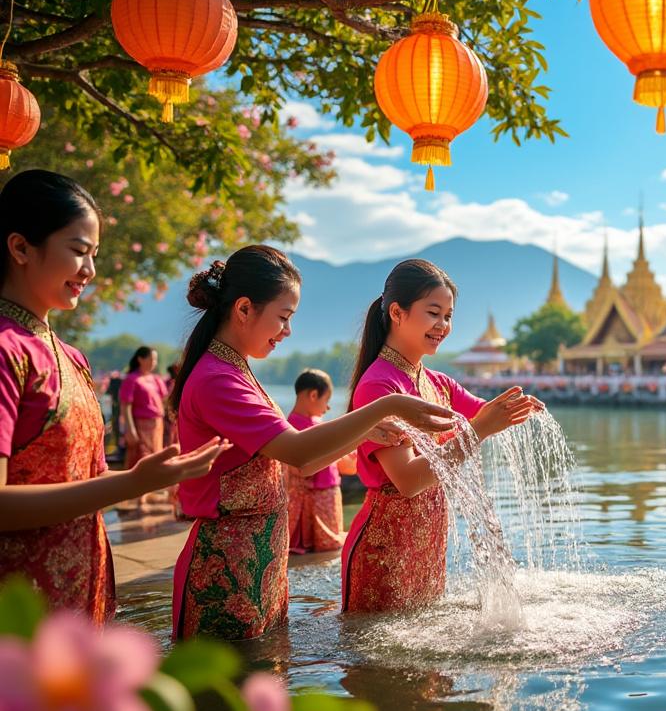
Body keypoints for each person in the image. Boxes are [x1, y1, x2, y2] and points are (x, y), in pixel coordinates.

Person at [170, 246, 456, 640]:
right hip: (226, 564)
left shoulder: (235, 370)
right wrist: (383, 407)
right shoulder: (217, 379)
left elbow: (303, 462)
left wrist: (364, 430)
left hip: (257, 559)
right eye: (283, 317)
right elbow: (298, 450)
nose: (287, 331)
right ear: (244, 309)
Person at [0, 169, 226, 622]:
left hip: (82, 594)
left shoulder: (70, 356)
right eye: (78, 251)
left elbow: (85, 480)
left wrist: (146, 476)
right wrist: (134, 482)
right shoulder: (7, 350)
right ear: (21, 248)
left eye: (94, 255)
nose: (90, 270)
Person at [342, 259, 541, 612]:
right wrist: (480, 429)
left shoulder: (438, 383)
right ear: (397, 313)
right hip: (384, 546)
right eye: (433, 313)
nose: (443, 325)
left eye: (448, 316)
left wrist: (515, 408)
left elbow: (484, 412)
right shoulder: (379, 386)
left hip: (428, 541)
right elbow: (408, 481)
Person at [285, 368, 350, 554]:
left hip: (321, 492)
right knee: (329, 545)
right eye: (326, 400)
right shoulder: (307, 428)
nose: (328, 408)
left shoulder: (288, 426)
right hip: (319, 495)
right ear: (313, 395)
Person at [120, 345, 171, 511]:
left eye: (155, 359)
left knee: (156, 457)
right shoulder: (132, 379)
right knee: (141, 458)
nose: (154, 362)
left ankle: (148, 493)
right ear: (140, 359)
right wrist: (130, 429)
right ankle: (138, 498)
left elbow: (165, 400)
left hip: (157, 424)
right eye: (151, 359)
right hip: (140, 424)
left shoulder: (156, 379)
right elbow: (126, 406)